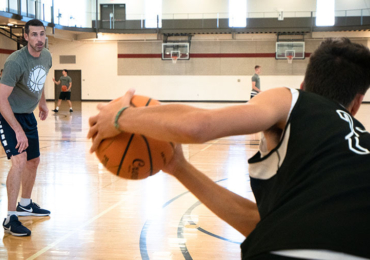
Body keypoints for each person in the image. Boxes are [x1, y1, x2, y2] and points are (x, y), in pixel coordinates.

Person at [87, 38, 370, 259]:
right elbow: (263, 225)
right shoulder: (359, 149)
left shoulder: (291, 99)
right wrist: (178, 167)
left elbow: (201, 126)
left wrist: (120, 117)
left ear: (302, 85)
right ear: (356, 104)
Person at [0, 19, 52, 237]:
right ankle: (11, 217)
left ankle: (25, 205)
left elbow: (39, 80)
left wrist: (42, 101)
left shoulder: (47, 56)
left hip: (28, 114)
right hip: (8, 114)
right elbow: (1, 99)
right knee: (19, 161)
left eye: (42, 34)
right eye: (34, 35)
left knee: (33, 160)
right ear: (26, 37)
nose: (39, 39)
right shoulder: (15, 62)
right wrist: (17, 130)